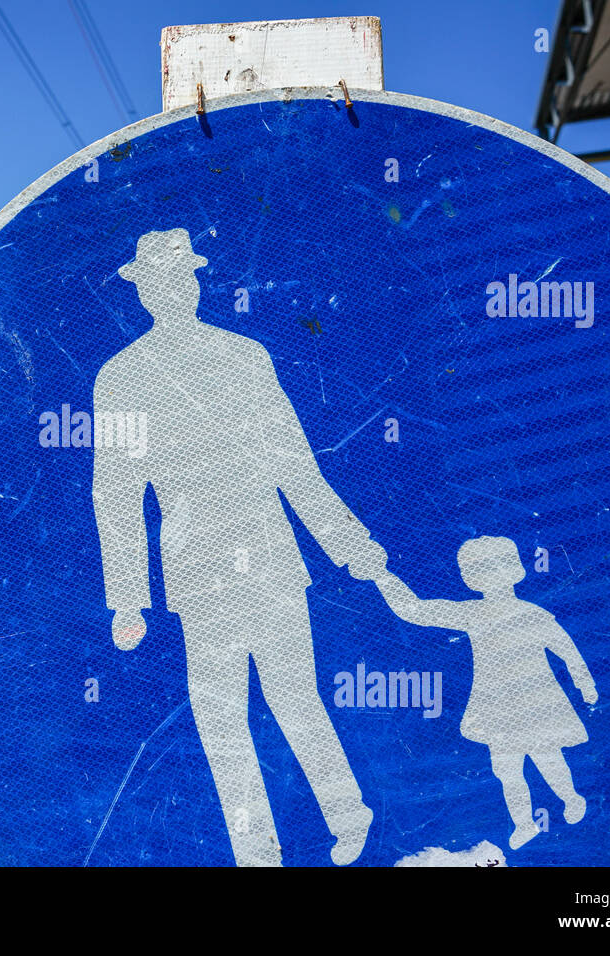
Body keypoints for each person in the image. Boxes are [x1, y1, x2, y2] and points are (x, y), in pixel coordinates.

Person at [91, 228, 384, 866]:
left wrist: (350, 544)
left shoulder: (245, 356)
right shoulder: (120, 379)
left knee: (294, 696)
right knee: (221, 717)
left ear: (197, 283)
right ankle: (257, 852)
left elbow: (294, 463)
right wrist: (127, 600)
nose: (177, 291)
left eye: (185, 278)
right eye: (163, 283)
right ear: (144, 294)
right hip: (198, 575)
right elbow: (115, 494)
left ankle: (347, 813)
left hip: (270, 554)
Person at [363, 535, 597, 849]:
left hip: (536, 701)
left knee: (547, 757)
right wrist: (383, 577)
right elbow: (415, 611)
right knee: (506, 769)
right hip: (498, 708)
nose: (490, 574)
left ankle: (571, 799)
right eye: (479, 568)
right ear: (469, 577)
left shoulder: (532, 614)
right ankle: (524, 823)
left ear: (515, 568)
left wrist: (586, 683)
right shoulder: (473, 613)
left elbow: (567, 650)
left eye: (497, 565)